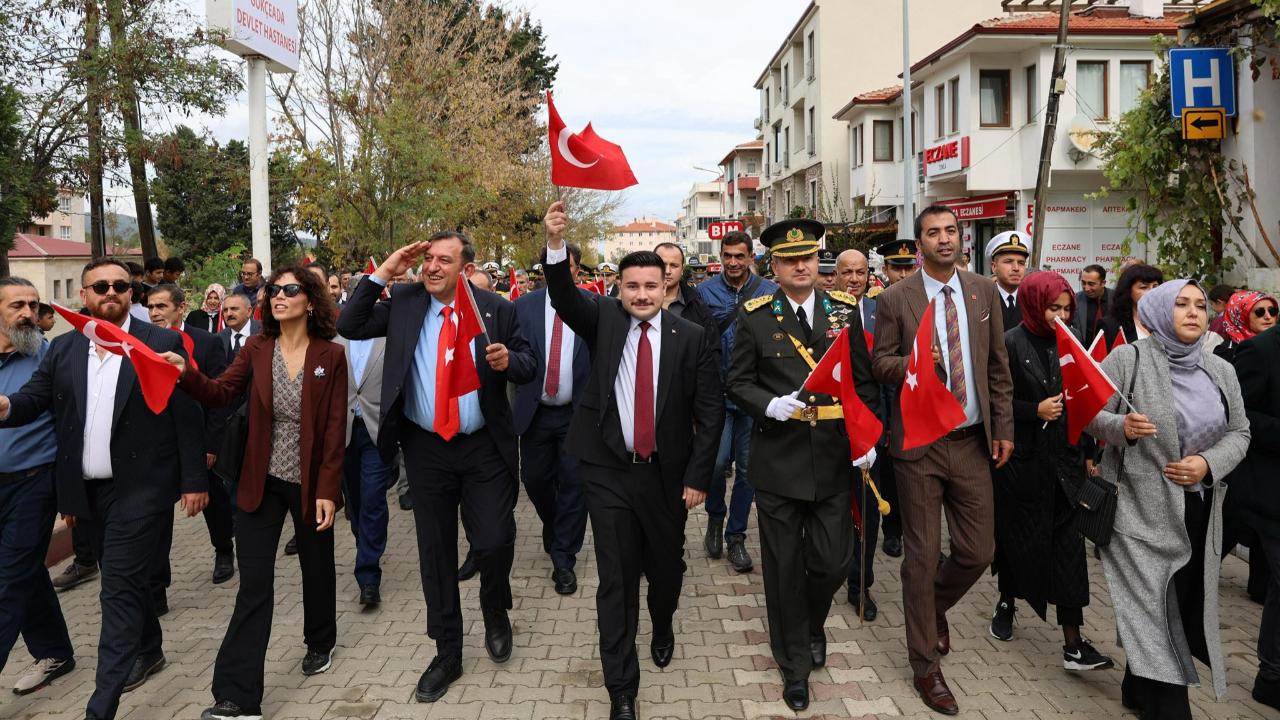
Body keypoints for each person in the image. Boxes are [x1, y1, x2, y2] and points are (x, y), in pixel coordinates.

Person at [0, 258, 207, 720]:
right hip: (88, 489)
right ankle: (149, 648)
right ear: (84, 295)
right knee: (125, 577)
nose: (110, 292)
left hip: (142, 487)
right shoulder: (64, 348)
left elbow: (187, 415)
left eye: (119, 285)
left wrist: (194, 480)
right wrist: (8, 406)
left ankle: (101, 705)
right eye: (100, 286)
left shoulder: (161, 341)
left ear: (130, 293)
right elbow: (35, 397)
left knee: (115, 588)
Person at [337, 231, 536, 704]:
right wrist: (384, 270)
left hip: (483, 445)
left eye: (444, 260)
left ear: (465, 268)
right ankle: (447, 650)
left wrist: (510, 361)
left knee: (493, 540)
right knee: (435, 552)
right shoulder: (405, 303)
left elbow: (529, 363)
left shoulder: (495, 310)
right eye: (428, 259)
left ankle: (494, 605)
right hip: (425, 449)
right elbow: (350, 322)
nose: (432, 267)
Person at [543, 200, 721, 720]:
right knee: (616, 579)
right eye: (632, 287)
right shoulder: (601, 319)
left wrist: (698, 478)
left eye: (652, 286)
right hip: (608, 473)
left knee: (665, 572)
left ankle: (662, 623)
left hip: (667, 478)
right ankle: (622, 689)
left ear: (666, 289)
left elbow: (709, 413)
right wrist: (556, 243)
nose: (642, 295)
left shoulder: (690, 337)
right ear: (618, 289)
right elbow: (560, 293)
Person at [165, 266, 348, 720]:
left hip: (308, 482)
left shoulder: (331, 354)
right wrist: (186, 374)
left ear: (310, 300)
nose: (279, 296)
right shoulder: (256, 347)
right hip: (258, 482)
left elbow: (332, 429)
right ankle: (238, 697)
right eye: (274, 290)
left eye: (291, 289)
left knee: (317, 566)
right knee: (254, 586)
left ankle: (320, 640)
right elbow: (222, 392)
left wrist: (327, 488)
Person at [726, 219, 879, 712]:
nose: (800, 266)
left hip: (833, 458)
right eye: (790, 260)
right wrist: (767, 405)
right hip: (778, 460)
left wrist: (868, 434)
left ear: (818, 262)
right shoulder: (754, 314)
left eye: (808, 258)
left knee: (833, 561)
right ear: (774, 265)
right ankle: (794, 666)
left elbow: (862, 381)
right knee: (783, 570)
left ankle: (813, 623)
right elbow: (737, 382)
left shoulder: (844, 310)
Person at [870, 205, 1014, 715]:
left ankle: (931, 608)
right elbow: (879, 360)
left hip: (973, 440)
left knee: (978, 551)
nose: (945, 239)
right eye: (934, 233)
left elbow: (998, 365)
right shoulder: (896, 299)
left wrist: (1004, 428)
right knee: (921, 554)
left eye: (951, 230)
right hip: (919, 445)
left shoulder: (982, 291)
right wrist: (910, 363)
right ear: (919, 244)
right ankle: (925, 665)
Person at [1085, 279, 1250, 720]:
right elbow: (1088, 414)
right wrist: (1122, 428)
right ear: (1158, 311)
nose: (1194, 312)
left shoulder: (1221, 370)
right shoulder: (1128, 359)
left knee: (1177, 600)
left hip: (1199, 510)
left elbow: (1240, 432)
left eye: (1200, 305)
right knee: (1158, 609)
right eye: (1181, 304)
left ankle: (1137, 684)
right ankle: (1170, 708)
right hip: (1137, 512)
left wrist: (1207, 464)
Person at [987, 271, 1114, 670]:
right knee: (1018, 543)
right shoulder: (1009, 343)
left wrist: (1090, 451)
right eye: (1052, 307)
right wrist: (1033, 411)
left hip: (1065, 465)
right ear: (1032, 303)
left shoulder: (1071, 343)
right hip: (1022, 466)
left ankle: (1074, 643)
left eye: (1065, 308)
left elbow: (1084, 402)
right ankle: (1007, 601)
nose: (1060, 316)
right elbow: (996, 404)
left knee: (1069, 553)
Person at [0, 277, 75, 696]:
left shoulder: (46, 357)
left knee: (9, 580)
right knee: (26, 573)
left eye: (33, 304)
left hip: (34, 483)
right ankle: (55, 651)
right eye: (17, 306)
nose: (28, 313)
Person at [512, 244, 592, 595]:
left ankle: (564, 559)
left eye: (566, 265)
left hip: (578, 415)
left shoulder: (593, 308)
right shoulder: (523, 307)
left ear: (577, 271)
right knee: (535, 479)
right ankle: (556, 524)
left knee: (575, 486)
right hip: (535, 413)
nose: (558, 270)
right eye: (551, 264)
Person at [696, 230, 778, 574]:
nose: (733, 262)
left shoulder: (770, 292)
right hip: (717, 395)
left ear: (751, 258)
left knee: (748, 470)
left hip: (755, 397)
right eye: (727, 256)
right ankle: (715, 516)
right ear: (721, 256)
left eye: (739, 256)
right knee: (715, 464)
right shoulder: (704, 292)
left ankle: (736, 536)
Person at [146, 284, 235, 594]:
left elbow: (217, 397)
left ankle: (224, 549)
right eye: (151, 307)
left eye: (161, 306)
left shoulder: (206, 343)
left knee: (214, 502)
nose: (155, 313)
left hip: (199, 439)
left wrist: (212, 445)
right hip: (160, 443)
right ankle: (157, 586)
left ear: (181, 308)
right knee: (157, 518)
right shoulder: (142, 341)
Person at [836, 248, 899, 616]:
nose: (855, 279)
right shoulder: (825, 312)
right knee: (834, 506)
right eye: (848, 272)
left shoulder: (880, 311)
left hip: (871, 426)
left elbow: (887, 376)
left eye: (861, 272)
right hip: (831, 425)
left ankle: (861, 584)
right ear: (836, 274)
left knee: (869, 509)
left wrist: (886, 427)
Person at [1230, 323, 1280, 710]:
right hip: (1268, 490)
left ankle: (1271, 673)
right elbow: (1238, 415)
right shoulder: (1260, 351)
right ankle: (1271, 676)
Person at [337, 332, 392, 608]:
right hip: (343, 433)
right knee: (356, 501)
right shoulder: (336, 340)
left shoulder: (388, 338)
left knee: (373, 498)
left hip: (376, 432)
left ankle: (368, 576)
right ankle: (365, 541)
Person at [654, 242, 719, 343]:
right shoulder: (637, 302)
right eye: (662, 265)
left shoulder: (698, 306)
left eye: (674, 266)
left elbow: (711, 349)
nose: (667, 271)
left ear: (682, 270)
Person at [1101, 263, 1163, 348]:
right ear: (1128, 291)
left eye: (1155, 286)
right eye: (1144, 287)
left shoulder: (1168, 321)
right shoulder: (1111, 325)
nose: (1152, 292)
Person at [1213, 290, 1278, 363]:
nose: (1268, 317)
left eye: (1272, 311)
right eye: (1260, 312)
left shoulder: (1276, 342)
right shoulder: (1227, 352)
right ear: (1241, 316)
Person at [985, 231, 1029, 330]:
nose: (1016, 268)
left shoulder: (1031, 300)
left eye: (1021, 263)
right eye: (1008, 262)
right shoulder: (983, 299)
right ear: (994, 267)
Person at [1072, 264, 1111, 345]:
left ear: (1103, 283)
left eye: (1091, 284)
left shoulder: (1116, 299)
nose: (1086, 288)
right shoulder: (1075, 300)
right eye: (1083, 283)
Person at [219, 293, 259, 364]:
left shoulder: (265, 331)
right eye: (225, 310)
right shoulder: (219, 338)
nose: (229, 314)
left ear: (249, 311)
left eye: (234, 309)